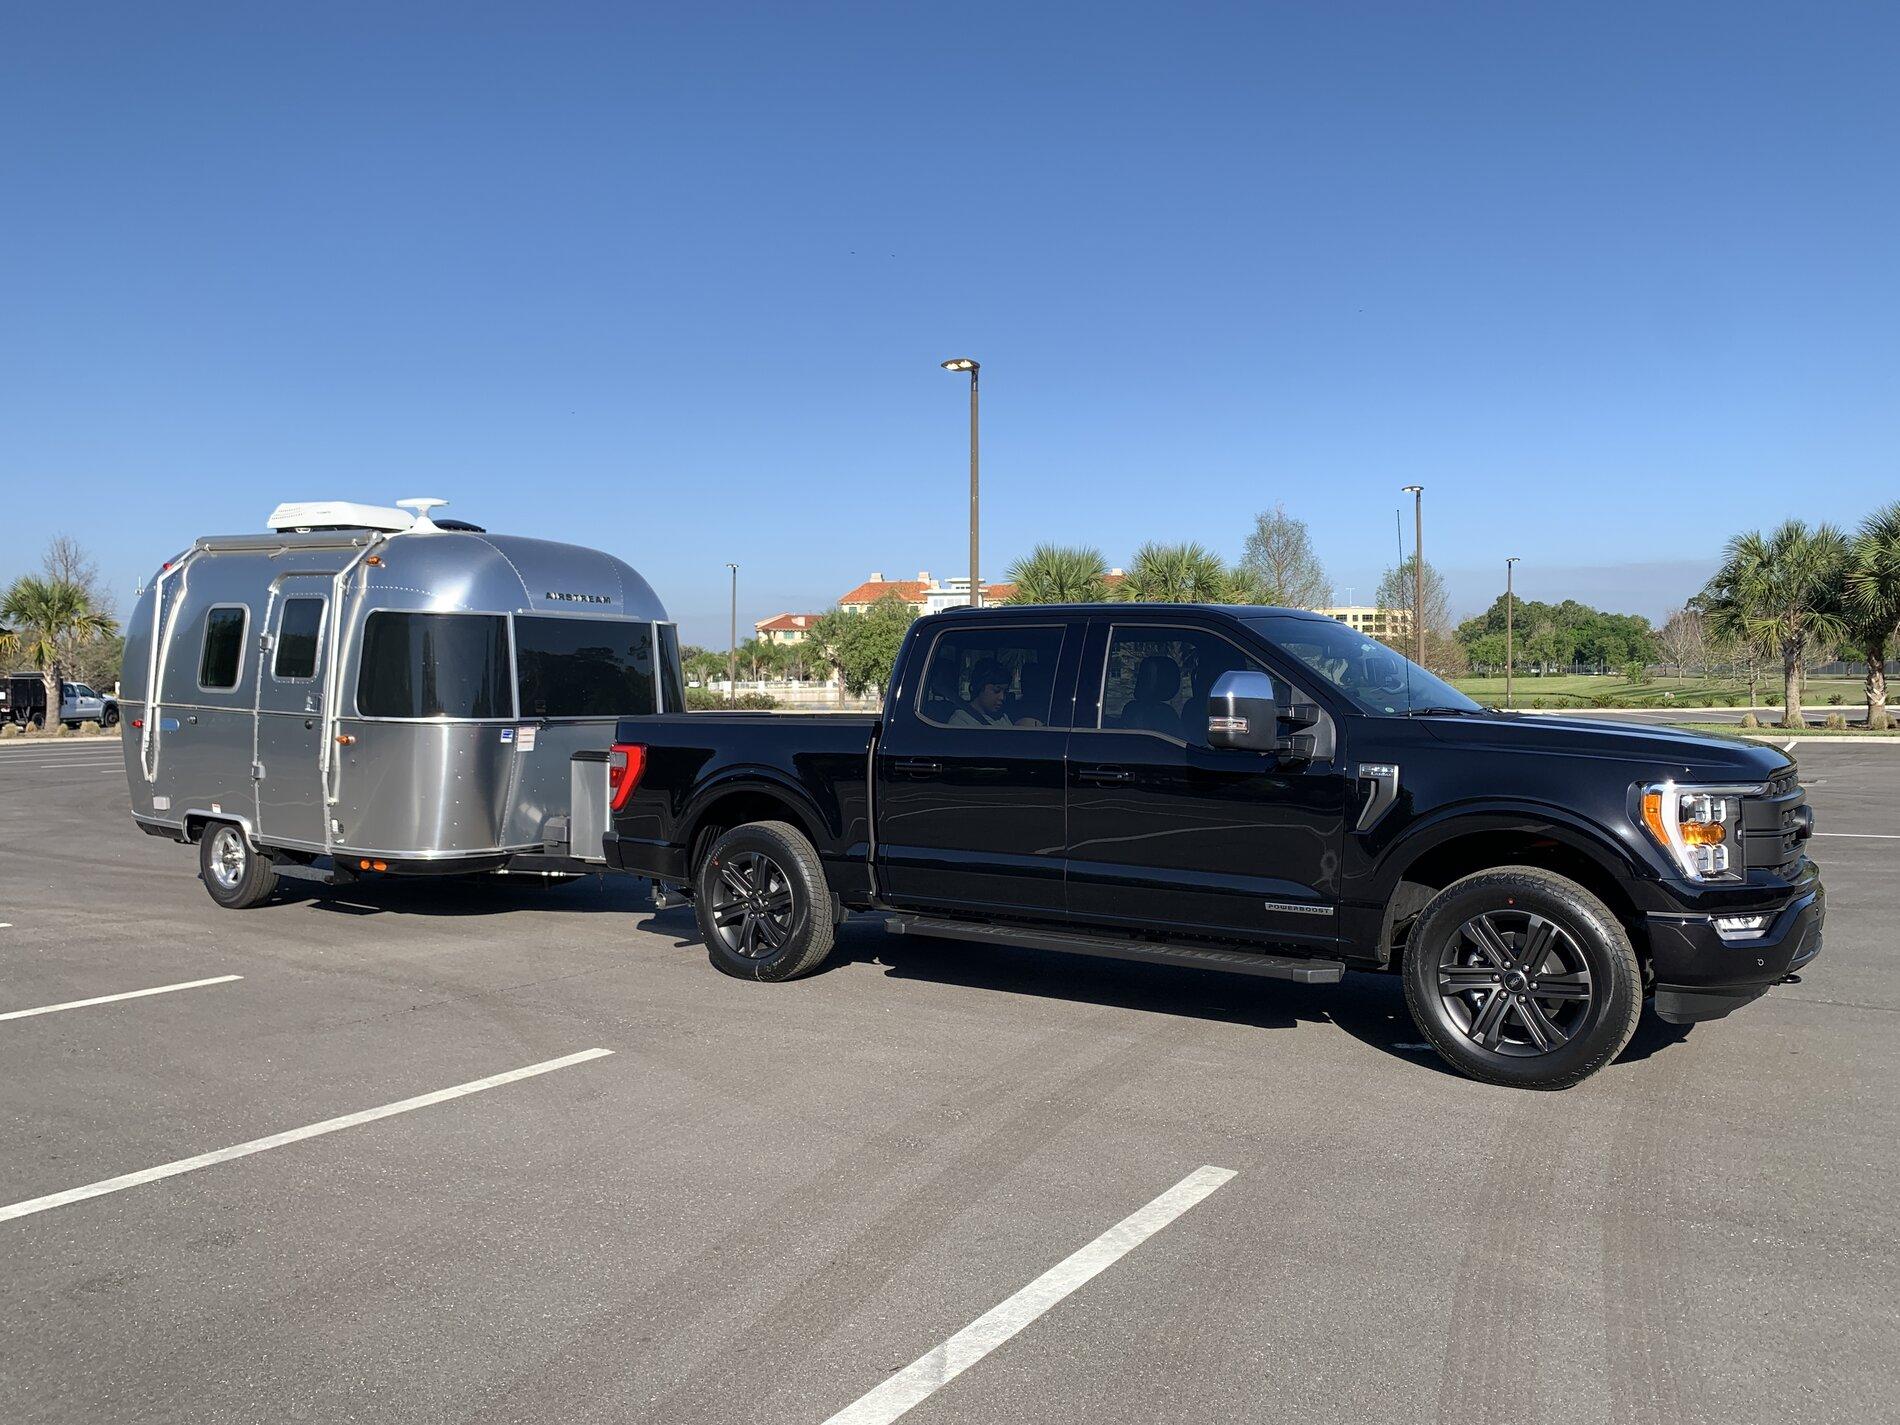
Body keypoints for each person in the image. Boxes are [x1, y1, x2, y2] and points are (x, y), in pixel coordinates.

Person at [950, 660, 1014, 726]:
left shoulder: (1003, 717)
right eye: (996, 691)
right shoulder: (960, 721)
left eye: (1005, 692)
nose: (1002, 697)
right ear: (979, 687)